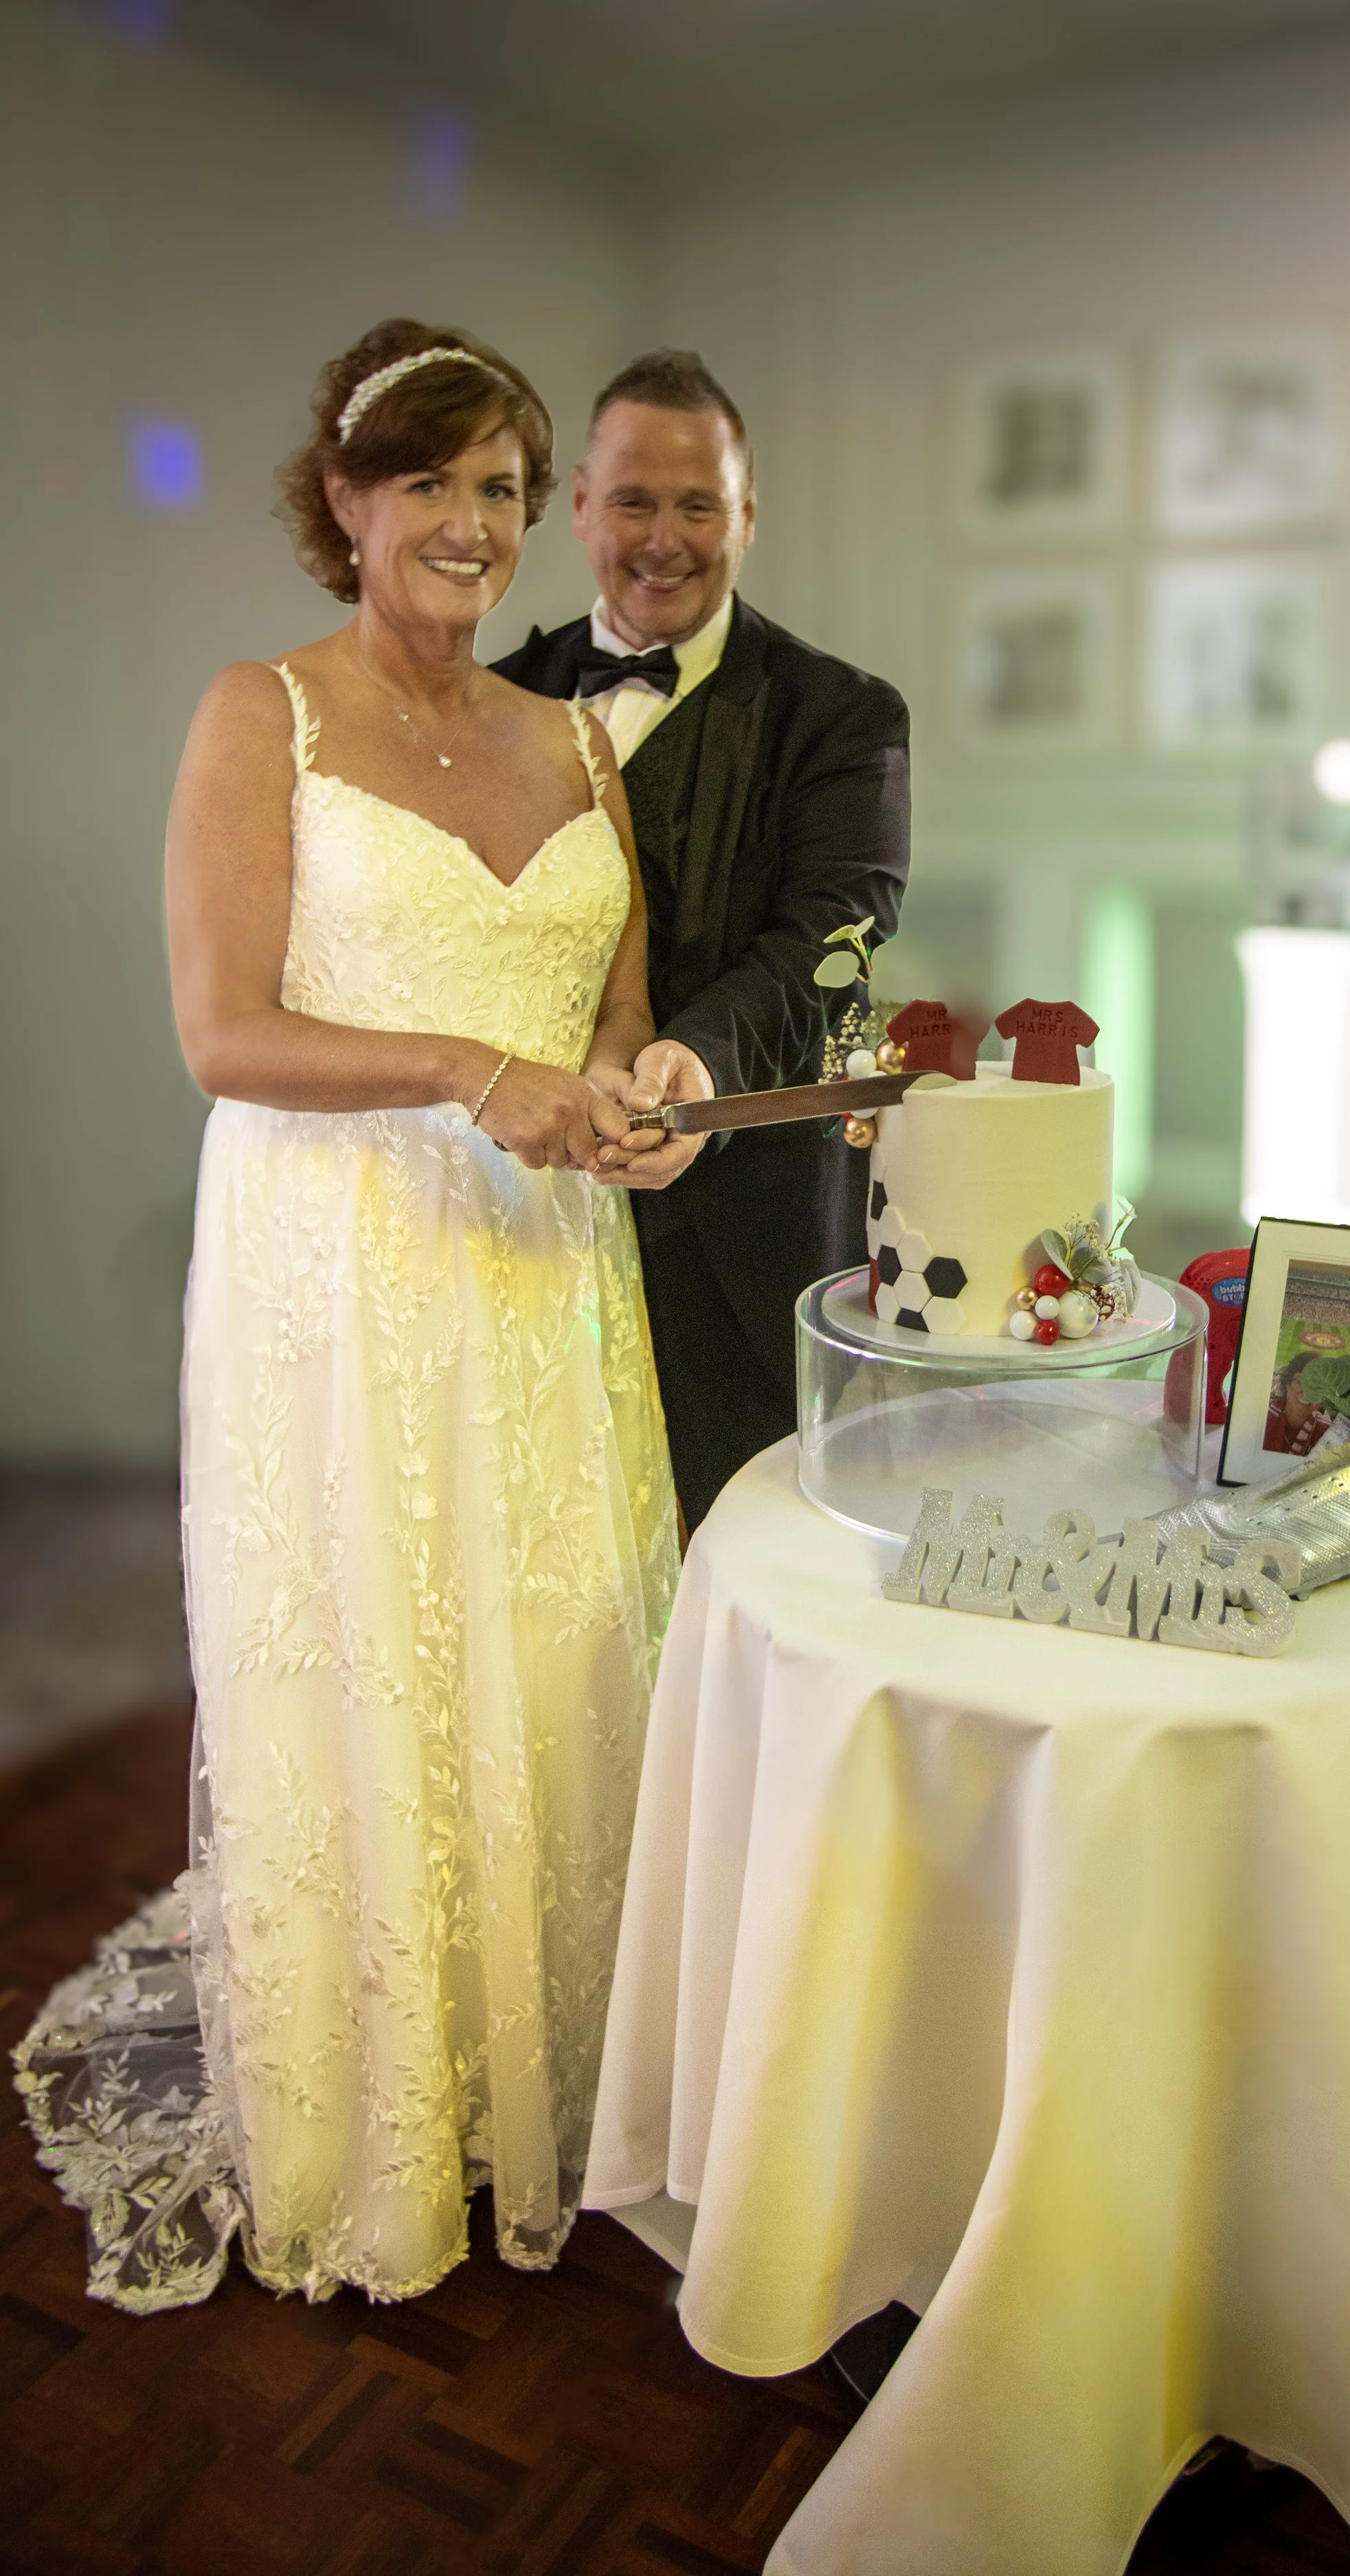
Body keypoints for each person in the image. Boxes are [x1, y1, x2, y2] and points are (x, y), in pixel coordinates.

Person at [19, 319, 681, 2312]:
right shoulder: (264, 715)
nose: (471, 522)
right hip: (348, 1273)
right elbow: (224, 1032)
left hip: (553, 1274)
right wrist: (472, 1074)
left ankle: (563, 2067)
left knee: (556, 1646)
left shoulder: (577, 737)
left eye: (502, 485)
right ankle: (379, 2113)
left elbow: (617, 1021)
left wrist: (641, 1109)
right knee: (385, 1654)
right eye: (432, 482)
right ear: (344, 500)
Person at [495, 352, 911, 1529]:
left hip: (741, 1230)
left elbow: (837, 929)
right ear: (579, 503)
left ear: (748, 515)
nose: (663, 538)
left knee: (728, 1562)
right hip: (523, 1218)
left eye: (699, 505)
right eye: (634, 501)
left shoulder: (844, 715)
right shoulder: (494, 700)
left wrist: (696, 1067)